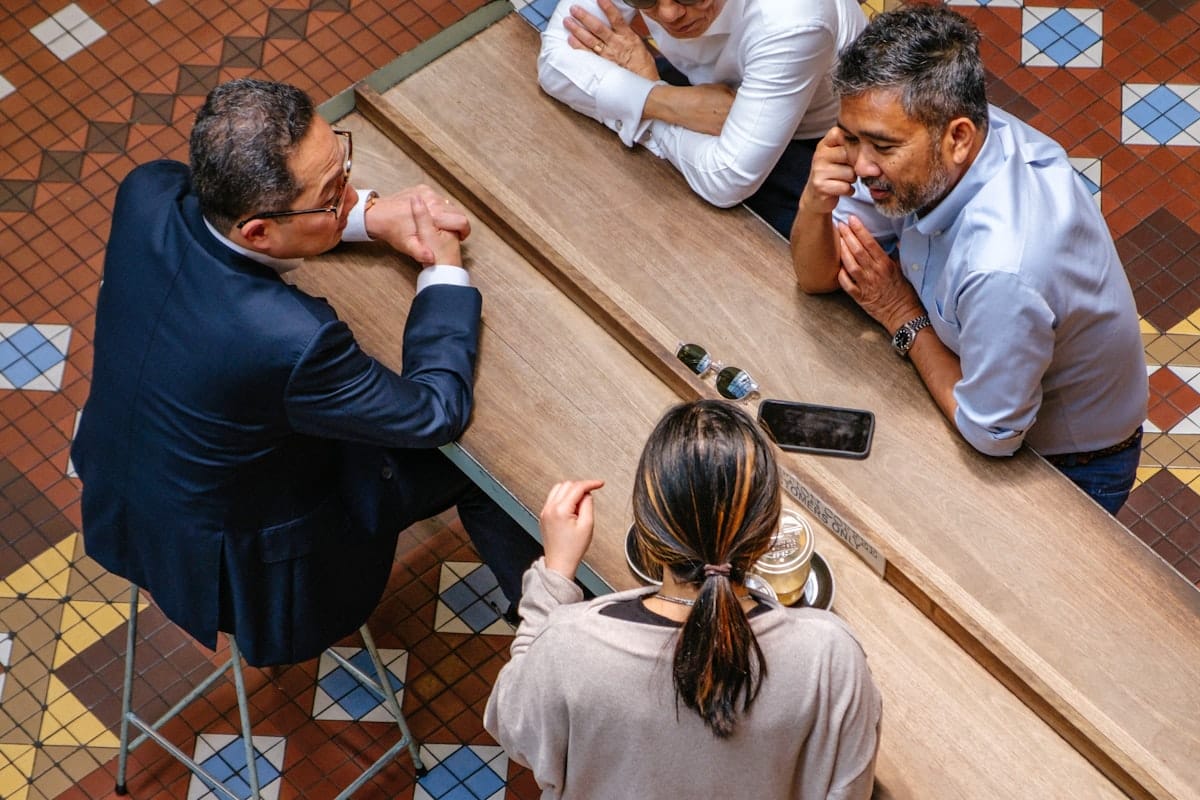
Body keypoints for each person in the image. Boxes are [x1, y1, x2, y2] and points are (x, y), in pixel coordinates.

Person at [71, 78, 542, 667]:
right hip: (256, 576)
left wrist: (370, 216)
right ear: (259, 231)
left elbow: (226, 214)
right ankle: (551, 636)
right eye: (332, 196)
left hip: (122, 497)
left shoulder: (147, 192)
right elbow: (433, 413)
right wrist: (444, 272)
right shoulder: (292, 339)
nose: (349, 195)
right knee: (488, 473)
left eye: (344, 168)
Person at [790, 6, 1147, 514]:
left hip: (1066, 461)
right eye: (850, 138)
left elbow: (992, 433)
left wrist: (901, 315)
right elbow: (818, 278)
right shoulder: (924, 142)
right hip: (972, 374)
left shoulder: (1003, 267)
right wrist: (814, 202)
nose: (862, 165)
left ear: (957, 137)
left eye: (881, 146)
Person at [484, 400, 881, 798]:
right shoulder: (833, 657)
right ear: (768, 532)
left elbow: (512, 728)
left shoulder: (569, 645)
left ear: (646, 534)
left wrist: (553, 577)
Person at [537, 0, 866, 236]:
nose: (668, 13)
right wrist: (667, 101)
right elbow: (553, 63)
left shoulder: (793, 16)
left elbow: (727, 180)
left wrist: (644, 99)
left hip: (813, 141)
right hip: (699, 98)